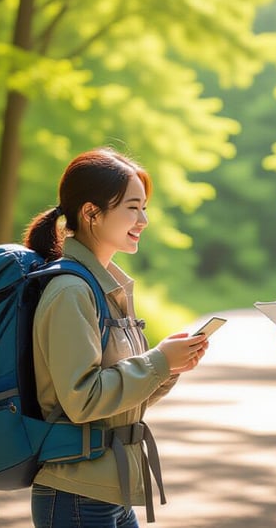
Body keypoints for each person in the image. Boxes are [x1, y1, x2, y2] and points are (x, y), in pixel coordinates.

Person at [24, 147, 209, 528]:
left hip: (109, 490)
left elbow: (119, 402)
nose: (143, 219)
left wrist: (169, 367)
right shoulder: (71, 291)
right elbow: (83, 399)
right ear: (92, 213)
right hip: (77, 495)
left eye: (144, 208)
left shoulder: (104, 287)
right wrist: (158, 361)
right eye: (132, 207)